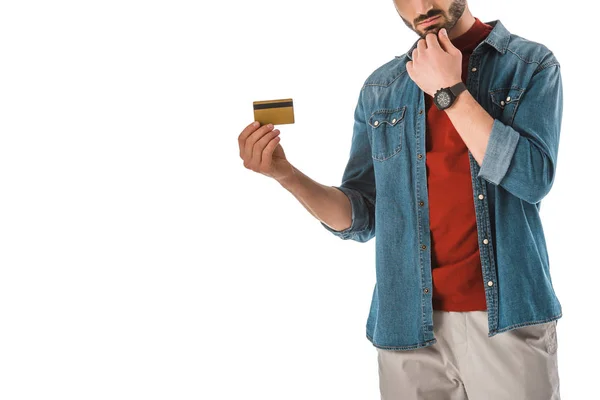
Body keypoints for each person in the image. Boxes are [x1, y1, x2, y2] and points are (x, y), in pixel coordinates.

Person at [237, 0, 563, 398]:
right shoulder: (382, 88)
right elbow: (362, 215)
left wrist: (449, 91)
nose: (423, 5)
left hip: (507, 320)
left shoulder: (529, 65)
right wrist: (286, 175)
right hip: (407, 326)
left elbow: (532, 180)